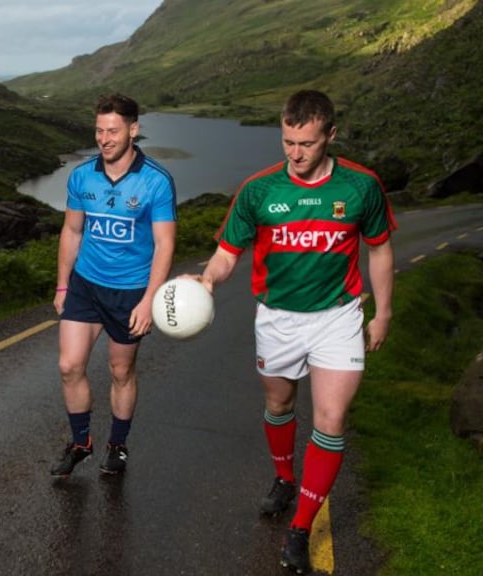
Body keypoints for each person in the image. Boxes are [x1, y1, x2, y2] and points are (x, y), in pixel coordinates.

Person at [190, 90, 395, 574]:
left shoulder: (360, 186)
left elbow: (381, 249)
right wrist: (207, 279)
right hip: (278, 318)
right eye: (287, 142)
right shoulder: (259, 190)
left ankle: (301, 528)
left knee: (330, 418)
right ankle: (284, 477)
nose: (295, 154)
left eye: (306, 143)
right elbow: (226, 253)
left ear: (330, 136)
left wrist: (382, 312)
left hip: (338, 316)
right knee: (280, 404)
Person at [51, 93, 177, 477]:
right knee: (69, 365)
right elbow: (72, 231)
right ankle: (81, 443)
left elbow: (164, 244)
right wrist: (62, 285)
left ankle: (117, 446)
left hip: (130, 292)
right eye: (99, 130)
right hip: (86, 285)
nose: (104, 139)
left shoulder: (156, 180)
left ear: (133, 130)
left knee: (121, 371)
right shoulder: (82, 176)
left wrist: (149, 300)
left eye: (113, 131)